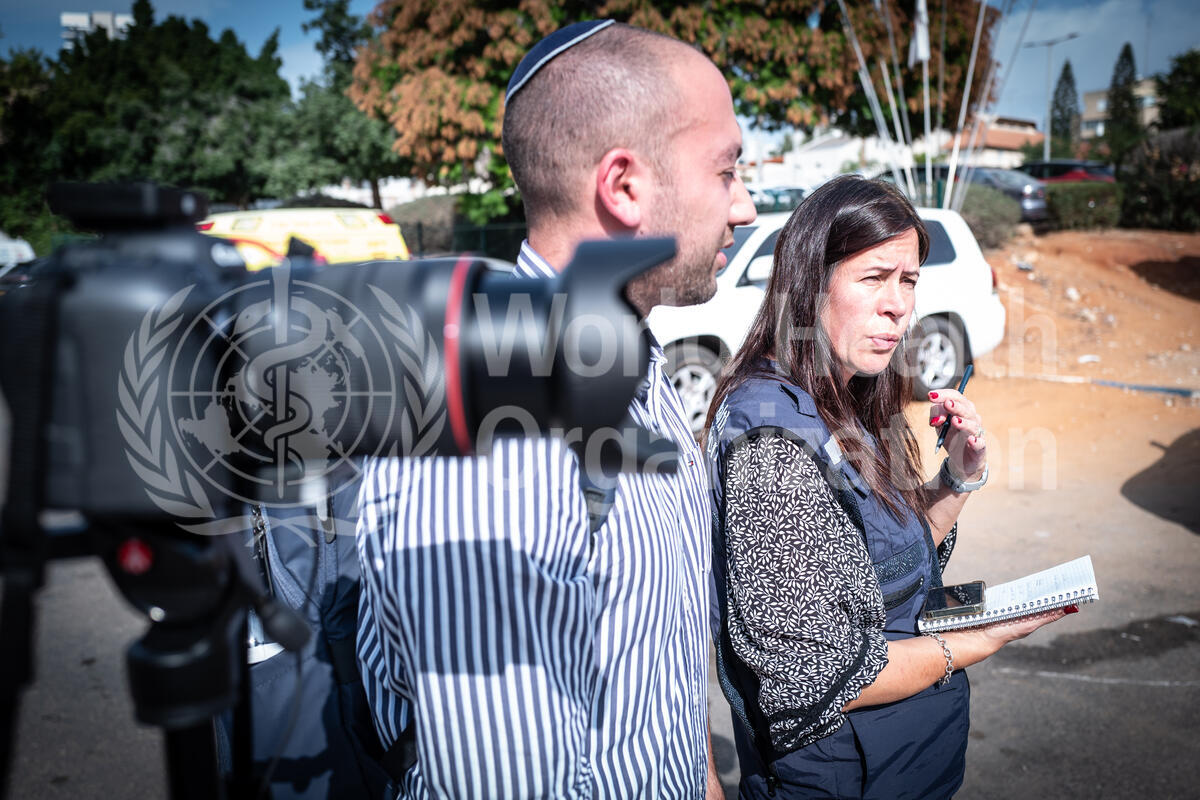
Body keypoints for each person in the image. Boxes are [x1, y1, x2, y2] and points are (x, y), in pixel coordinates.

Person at [355, 20, 756, 799]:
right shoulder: (500, 438)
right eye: (726, 170)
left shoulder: (633, 362)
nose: (743, 207)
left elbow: (657, 661)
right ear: (624, 186)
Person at [704, 175, 1064, 799]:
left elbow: (881, 567)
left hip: (903, 768)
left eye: (909, 280)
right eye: (874, 277)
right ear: (808, 283)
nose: (898, 305)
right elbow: (814, 676)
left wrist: (957, 477)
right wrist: (977, 640)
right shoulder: (773, 441)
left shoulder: (842, 396)